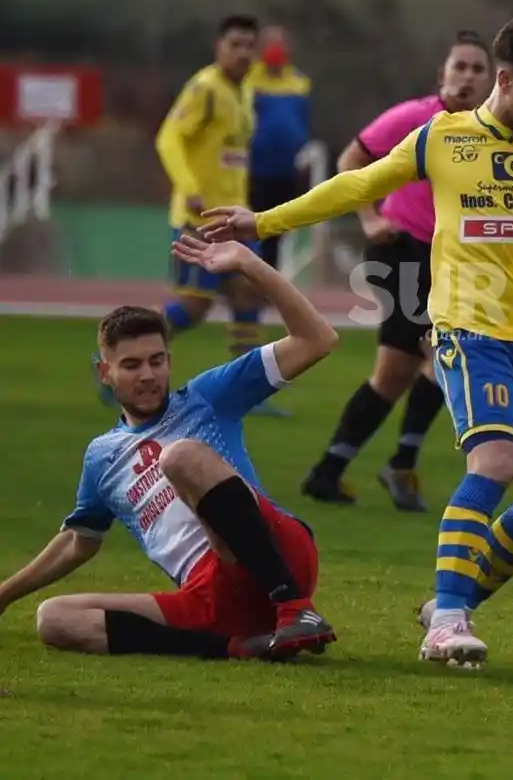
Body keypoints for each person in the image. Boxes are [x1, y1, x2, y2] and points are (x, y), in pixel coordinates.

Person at [198, 11, 513, 667]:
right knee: (494, 465)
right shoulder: (443, 140)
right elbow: (357, 184)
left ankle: (454, 595)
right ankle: (446, 621)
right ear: (507, 81)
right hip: (467, 331)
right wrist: (263, 222)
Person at [1, 237, 339, 661]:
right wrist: (5, 595)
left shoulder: (206, 397)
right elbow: (78, 541)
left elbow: (317, 339)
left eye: (156, 361)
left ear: (169, 361)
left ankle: (295, 608)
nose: (148, 375)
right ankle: (237, 646)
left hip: (280, 558)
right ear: (103, 372)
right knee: (55, 618)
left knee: (179, 456)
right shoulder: (102, 456)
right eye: (131, 365)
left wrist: (250, 264)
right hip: (210, 596)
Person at [301, 30, 494, 513]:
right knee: (420, 363)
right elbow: (352, 159)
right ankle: (392, 464)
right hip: (402, 249)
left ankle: (334, 470)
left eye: (477, 68)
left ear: (493, 79)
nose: (468, 76)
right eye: (460, 67)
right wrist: (369, 218)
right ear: (442, 75)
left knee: (411, 369)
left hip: (449, 258)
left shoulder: (491, 130)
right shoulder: (415, 117)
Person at [92, 15, 286, 417]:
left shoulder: (243, 92)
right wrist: (190, 188)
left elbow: (232, 157)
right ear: (218, 47)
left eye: (250, 44)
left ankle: (248, 392)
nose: (244, 52)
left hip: (233, 217)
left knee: (249, 294)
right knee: (194, 306)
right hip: (200, 218)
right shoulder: (205, 88)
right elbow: (169, 138)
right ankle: (116, 363)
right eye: (235, 44)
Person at [246, 26, 312, 271]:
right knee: (251, 224)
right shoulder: (249, 81)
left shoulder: (300, 83)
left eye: (280, 44)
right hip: (254, 169)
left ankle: (267, 278)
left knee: (277, 227)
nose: (275, 50)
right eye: (270, 44)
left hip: (286, 169)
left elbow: (302, 121)